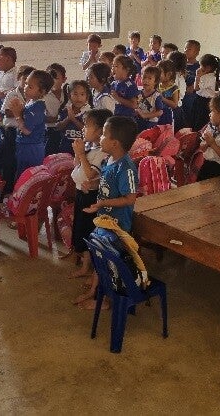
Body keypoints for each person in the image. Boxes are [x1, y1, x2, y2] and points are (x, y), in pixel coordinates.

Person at [76, 116, 139, 309]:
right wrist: (92, 184)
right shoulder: (109, 160)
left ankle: (106, 301)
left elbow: (130, 198)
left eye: (104, 134)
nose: (100, 138)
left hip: (117, 225)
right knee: (100, 257)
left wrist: (102, 202)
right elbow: (105, 180)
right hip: (104, 220)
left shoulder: (126, 168)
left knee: (111, 264)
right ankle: (94, 291)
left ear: (115, 143)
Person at [68, 108, 111, 279]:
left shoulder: (102, 153)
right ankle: (84, 262)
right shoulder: (91, 147)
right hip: (81, 193)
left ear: (100, 131)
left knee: (88, 231)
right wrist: (78, 154)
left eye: (87, 126)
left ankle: (89, 267)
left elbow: (90, 174)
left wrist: (81, 154)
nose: (83, 129)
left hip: (90, 197)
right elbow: (77, 166)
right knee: (80, 229)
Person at [11, 69, 54, 180]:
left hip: (31, 148)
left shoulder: (37, 107)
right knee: (21, 174)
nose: (25, 88)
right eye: (26, 84)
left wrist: (17, 115)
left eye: (30, 87)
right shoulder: (31, 103)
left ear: (41, 92)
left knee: (28, 177)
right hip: (24, 146)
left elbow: (27, 130)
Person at [1, 65, 35, 191]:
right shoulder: (12, 94)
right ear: (19, 78)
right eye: (24, 79)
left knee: (24, 162)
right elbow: (7, 112)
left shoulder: (34, 96)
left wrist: (20, 111)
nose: (26, 83)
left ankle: (23, 189)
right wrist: (23, 111)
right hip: (12, 131)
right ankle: (7, 190)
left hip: (27, 131)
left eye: (30, 81)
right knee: (10, 161)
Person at [56, 80, 92, 154]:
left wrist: (73, 119)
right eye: (75, 94)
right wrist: (68, 118)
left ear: (87, 97)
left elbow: (88, 131)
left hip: (83, 152)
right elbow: (58, 127)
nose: (78, 98)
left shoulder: (90, 113)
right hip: (65, 150)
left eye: (82, 94)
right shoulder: (65, 110)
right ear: (69, 96)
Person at [45, 63, 70, 155]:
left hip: (67, 131)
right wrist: (57, 119)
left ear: (64, 79)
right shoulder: (43, 96)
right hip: (50, 131)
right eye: (50, 78)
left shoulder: (69, 94)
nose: (53, 81)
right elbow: (39, 117)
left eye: (56, 78)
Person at [191, 54, 220, 132]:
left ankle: (198, 135)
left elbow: (196, 88)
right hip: (201, 100)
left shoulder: (208, 78)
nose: (199, 68)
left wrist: (197, 76)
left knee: (200, 122)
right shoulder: (210, 76)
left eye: (201, 66)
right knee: (197, 119)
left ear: (208, 68)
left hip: (204, 102)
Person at [135, 66, 163, 131]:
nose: (146, 80)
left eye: (149, 78)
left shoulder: (156, 96)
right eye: (144, 77)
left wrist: (145, 115)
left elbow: (160, 112)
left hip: (150, 124)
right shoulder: (138, 92)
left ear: (155, 81)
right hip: (138, 121)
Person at [182, 39, 201, 128]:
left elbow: (200, 81)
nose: (186, 50)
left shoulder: (199, 66)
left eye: (189, 49)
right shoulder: (181, 65)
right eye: (185, 48)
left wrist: (191, 88)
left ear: (196, 52)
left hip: (191, 95)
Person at [166, 51, 188, 129]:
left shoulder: (173, 78)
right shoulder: (180, 76)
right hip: (178, 108)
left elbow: (169, 96)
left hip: (172, 109)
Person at [157, 60, 180, 128]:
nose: (157, 75)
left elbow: (175, 105)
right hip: (158, 114)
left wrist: (162, 98)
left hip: (169, 116)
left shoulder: (174, 88)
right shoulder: (157, 86)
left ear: (169, 74)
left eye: (159, 72)